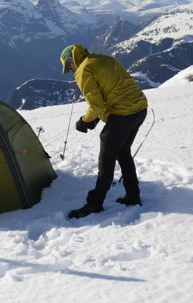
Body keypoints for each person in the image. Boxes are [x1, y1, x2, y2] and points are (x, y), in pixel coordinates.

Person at [60, 44, 148, 219]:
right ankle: (133, 195)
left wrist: (84, 121)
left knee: (106, 160)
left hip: (123, 113)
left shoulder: (83, 70)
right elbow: (112, 90)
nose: (70, 70)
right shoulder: (103, 58)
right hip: (140, 109)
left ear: (72, 60)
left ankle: (94, 204)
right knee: (123, 153)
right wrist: (96, 117)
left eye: (68, 66)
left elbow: (97, 104)